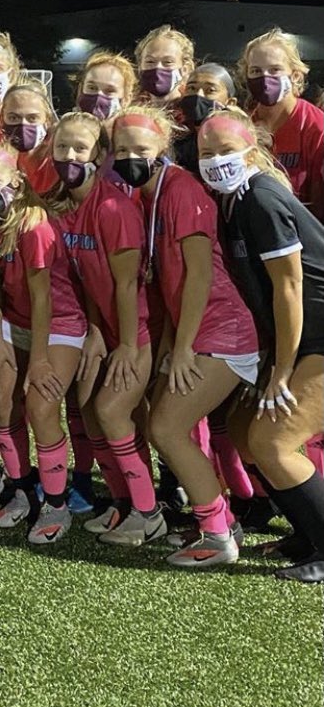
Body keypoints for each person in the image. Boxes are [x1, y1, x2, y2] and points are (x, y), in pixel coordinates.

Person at [112, 107, 260, 568]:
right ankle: (218, 520)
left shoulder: (181, 189)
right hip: (205, 328)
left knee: (166, 426)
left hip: (225, 329)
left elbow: (198, 275)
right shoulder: (151, 194)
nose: (130, 157)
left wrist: (181, 350)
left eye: (141, 148)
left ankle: (218, 533)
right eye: (120, 150)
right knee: (164, 420)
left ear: (162, 148)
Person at [197, 109, 324, 583]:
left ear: (252, 149)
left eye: (226, 151)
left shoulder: (261, 198)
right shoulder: (232, 201)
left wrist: (282, 369)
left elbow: (290, 289)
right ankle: (306, 532)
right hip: (305, 335)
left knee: (274, 441)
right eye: (207, 153)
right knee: (247, 430)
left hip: (318, 335)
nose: (216, 162)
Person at [47, 111, 166, 546]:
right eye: (63, 147)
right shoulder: (68, 205)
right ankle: (122, 504)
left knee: (112, 412)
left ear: (100, 155)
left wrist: (128, 347)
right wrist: (97, 331)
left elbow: (125, 283)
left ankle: (150, 513)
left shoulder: (113, 206)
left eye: (80, 148)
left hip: (139, 330)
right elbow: (88, 280)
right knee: (90, 411)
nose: (70, 156)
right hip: (110, 329)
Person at [0, 142, 87, 543]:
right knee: (2, 400)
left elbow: (43, 300)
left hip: (58, 324)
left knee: (40, 402)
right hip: (16, 324)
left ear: (17, 182)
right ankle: (21, 488)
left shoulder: (33, 225)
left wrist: (37, 361)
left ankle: (56, 504)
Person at [239, 28, 324, 219]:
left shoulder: (316, 126)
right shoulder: (243, 125)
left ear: (295, 75)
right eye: (255, 71)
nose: (265, 78)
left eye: (275, 69)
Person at [172, 63, 237, 176]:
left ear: (230, 102)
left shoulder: (238, 142)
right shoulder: (176, 142)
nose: (199, 95)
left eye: (210, 90)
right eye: (192, 88)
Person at [0, 78, 58, 193]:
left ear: (47, 120)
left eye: (32, 118)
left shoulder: (58, 160)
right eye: (13, 118)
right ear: (1, 118)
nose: (23, 125)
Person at [135, 24, 195, 104]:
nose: (157, 67)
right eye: (150, 61)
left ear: (185, 69)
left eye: (168, 62)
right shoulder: (127, 110)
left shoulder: (195, 111)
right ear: (140, 66)